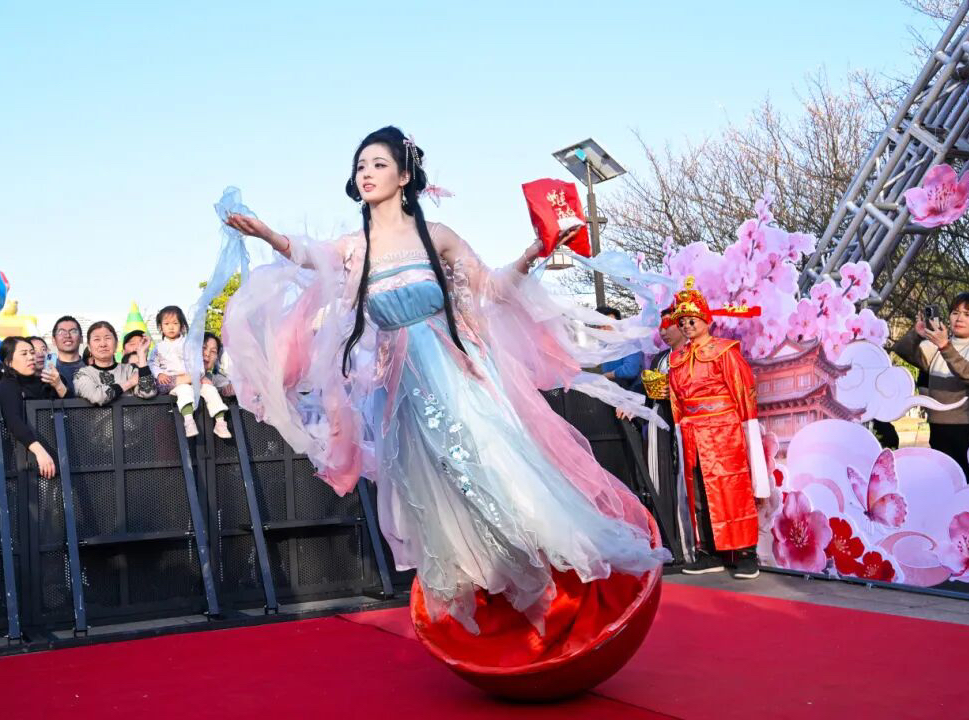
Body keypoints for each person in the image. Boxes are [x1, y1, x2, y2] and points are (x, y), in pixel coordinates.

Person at [221, 126, 669, 642]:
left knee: (495, 473)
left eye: (378, 164)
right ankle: (510, 595)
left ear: (404, 175)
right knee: (443, 492)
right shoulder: (354, 247)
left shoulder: (438, 236)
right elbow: (306, 254)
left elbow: (491, 288)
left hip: (458, 374)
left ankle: (558, 585)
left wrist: (533, 252)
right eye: (360, 165)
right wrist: (268, 235)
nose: (366, 173)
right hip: (402, 391)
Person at [665, 277, 769, 580]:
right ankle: (709, 552)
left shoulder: (725, 352)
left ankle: (745, 553)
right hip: (692, 433)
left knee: (731, 489)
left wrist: (747, 428)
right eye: (682, 322)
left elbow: (743, 392)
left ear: (705, 319)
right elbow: (677, 399)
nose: (686, 326)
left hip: (724, 433)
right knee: (699, 492)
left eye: (691, 320)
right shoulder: (677, 360)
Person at [893, 292, 969, 480]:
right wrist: (917, 334)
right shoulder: (938, 346)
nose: (959, 319)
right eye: (955, 312)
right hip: (939, 429)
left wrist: (945, 347)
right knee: (945, 482)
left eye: (967, 314)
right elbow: (903, 350)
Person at [642, 307, 692, 564]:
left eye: (667, 325)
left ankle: (692, 547)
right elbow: (646, 395)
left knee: (688, 483)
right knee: (661, 480)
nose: (663, 332)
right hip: (661, 423)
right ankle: (669, 542)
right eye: (660, 328)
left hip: (688, 424)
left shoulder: (694, 354)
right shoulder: (660, 359)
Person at [149, 305, 231, 439]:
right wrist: (159, 374)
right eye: (167, 324)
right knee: (184, 390)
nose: (171, 327)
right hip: (176, 382)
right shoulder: (158, 348)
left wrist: (199, 375)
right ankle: (188, 421)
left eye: (175, 323)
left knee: (210, 390)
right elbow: (152, 363)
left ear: (182, 326)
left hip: (194, 379)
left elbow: (197, 361)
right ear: (160, 327)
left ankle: (220, 422)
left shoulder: (189, 344)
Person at [0, 337, 57, 479]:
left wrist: (59, 385)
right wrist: (40, 452)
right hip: (28, 461)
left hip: (57, 449)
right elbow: (13, 420)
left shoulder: (46, 381)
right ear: (9, 362)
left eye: (32, 352)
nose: (31, 357)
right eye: (24, 354)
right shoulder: (8, 385)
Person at [73, 321, 157, 406]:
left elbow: (149, 392)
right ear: (89, 347)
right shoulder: (82, 374)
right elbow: (96, 397)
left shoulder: (130, 369)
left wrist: (142, 355)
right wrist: (130, 383)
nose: (103, 344)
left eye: (107, 338)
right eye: (97, 339)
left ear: (116, 344)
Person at [596, 306, 644, 392]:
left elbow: (630, 370)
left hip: (632, 393)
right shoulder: (604, 346)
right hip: (612, 394)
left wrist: (606, 376)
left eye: (609, 325)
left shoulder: (630, 341)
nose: (604, 329)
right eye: (600, 326)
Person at [52, 316, 85, 397]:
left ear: (81, 339)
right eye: (61, 332)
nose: (67, 335)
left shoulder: (91, 369)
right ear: (53, 340)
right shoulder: (48, 371)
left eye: (73, 331)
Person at [202, 332, 235, 397]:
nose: (207, 354)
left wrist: (229, 389)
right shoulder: (180, 370)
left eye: (213, 351)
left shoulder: (214, 379)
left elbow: (226, 385)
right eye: (204, 348)